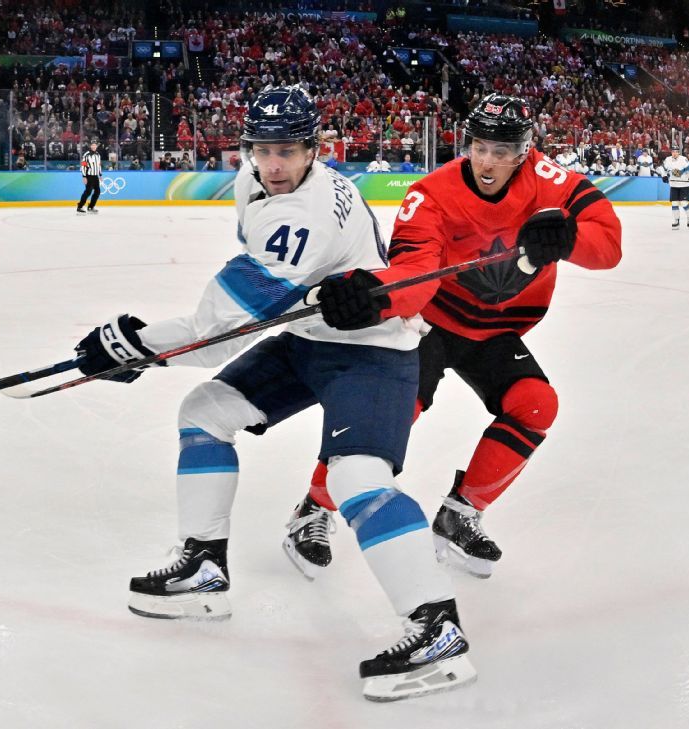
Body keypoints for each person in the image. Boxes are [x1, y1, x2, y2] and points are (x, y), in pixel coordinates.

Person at [72, 85, 477, 702]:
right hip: (308, 338)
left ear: (315, 149)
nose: (273, 164)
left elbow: (215, 335)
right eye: (262, 150)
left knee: (356, 477)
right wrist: (142, 349)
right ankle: (203, 567)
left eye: (287, 150)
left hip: (373, 351)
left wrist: (134, 345)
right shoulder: (255, 180)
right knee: (205, 413)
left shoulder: (304, 218)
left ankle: (437, 628)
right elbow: (245, 313)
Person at [283, 94, 622, 580]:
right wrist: (376, 298)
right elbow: (414, 270)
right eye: (479, 147)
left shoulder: (552, 183)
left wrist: (570, 238)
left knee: (535, 404)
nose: (487, 162)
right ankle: (314, 507)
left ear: (524, 152)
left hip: (496, 330)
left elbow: (608, 245)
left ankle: (460, 514)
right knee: (392, 413)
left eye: (502, 152)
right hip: (431, 323)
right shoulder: (432, 193)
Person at [663, 147, 689, 229]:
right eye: (673, 151)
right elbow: (663, 169)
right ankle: (676, 221)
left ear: (679, 153)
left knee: (684, 203)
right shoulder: (668, 160)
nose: (674, 153)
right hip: (673, 185)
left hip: (684, 185)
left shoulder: (683, 159)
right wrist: (664, 176)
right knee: (674, 203)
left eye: (676, 152)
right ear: (671, 152)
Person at [76, 141, 103, 215]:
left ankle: (91, 207)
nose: (94, 146)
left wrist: (100, 175)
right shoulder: (86, 155)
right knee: (88, 192)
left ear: (96, 146)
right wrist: (84, 176)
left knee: (97, 191)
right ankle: (80, 206)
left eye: (95, 145)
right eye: (92, 145)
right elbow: (83, 166)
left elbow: (99, 165)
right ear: (90, 146)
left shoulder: (98, 155)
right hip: (89, 176)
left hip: (95, 176)